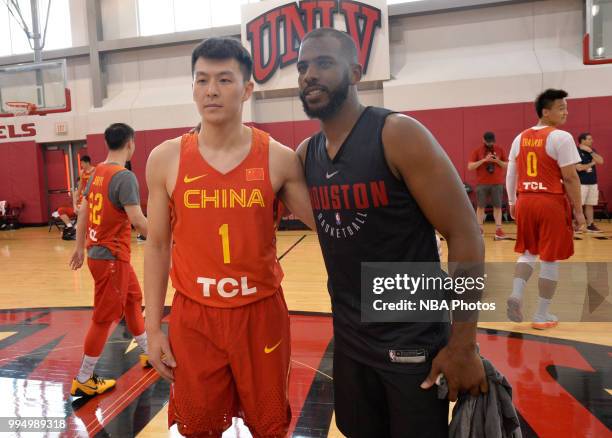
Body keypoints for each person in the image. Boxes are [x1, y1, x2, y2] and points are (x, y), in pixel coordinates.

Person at [295, 28, 487, 437]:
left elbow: (465, 233)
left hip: (411, 338)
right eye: (302, 67)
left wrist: (463, 344)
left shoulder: (398, 134)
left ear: (356, 72)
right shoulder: (305, 155)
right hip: (349, 341)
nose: (310, 74)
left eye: (324, 63)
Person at [144, 37, 315, 437]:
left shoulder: (278, 158)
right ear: (192, 88)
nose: (211, 90)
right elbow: (155, 246)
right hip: (194, 316)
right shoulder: (165, 158)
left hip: (260, 314)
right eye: (202, 80)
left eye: (224, 80)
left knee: (270, 427)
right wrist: (153, 329)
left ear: (247, 89)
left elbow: (328, 227)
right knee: (197, 429)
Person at [69, 123, 149, 397]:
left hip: (102, 255)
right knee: (104, 319)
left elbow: (83, 213)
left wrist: (79, 248)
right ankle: (83, 378)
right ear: (130, 144)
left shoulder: (97, 172)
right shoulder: (124, 177)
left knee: (133, 300)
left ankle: (149, 353)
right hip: (111, 258)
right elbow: (138, 221)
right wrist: (170, 238)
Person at [505, 89, 585, 330]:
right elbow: (570, 178)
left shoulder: (520, 137)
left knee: (528, 252)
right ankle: (541, 315)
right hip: (550, 202)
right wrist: (579, 211)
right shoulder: (561, 137)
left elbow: (511, 173)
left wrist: (512, 202)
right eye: (561, 108)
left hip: (526, 200)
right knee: (550, 259)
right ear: (545, 112)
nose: (566, 112)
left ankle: (516, 294)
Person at [467, 131, 509, 240]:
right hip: (482, 184)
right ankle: (479, 229)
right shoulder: (477, 151)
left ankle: (499, 230)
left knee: (498, 207)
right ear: (483, 140)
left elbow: (507, 165)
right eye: (488, 142)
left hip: (497, 183)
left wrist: (497, 161)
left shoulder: (499, 149)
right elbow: (470, 167)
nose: (490, 144)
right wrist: (484, 160)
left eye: (492, 142)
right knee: (480, 207)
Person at [53, 155, 96, 240]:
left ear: (87, 162)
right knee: (70, 211)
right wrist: (75, 204)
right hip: (84, 199)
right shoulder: (82, 172)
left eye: (82, 163)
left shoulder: (95, 170)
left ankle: (80, 230)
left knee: (85, 215)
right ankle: (72, 228)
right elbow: (80, 187)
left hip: (92, 197)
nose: (81, 165)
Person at [576, 132, 604, 232]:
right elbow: (578, 168)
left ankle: (590, 225)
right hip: (581, 183)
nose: (592, 141)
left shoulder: (592, 150)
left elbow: (601, 161)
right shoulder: (576, 151)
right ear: (583, 140)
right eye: (589, 139)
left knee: (590, 204)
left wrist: (591, 152)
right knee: (578, 205)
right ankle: (578, 225)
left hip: (592, 182)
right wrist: (592, 163)